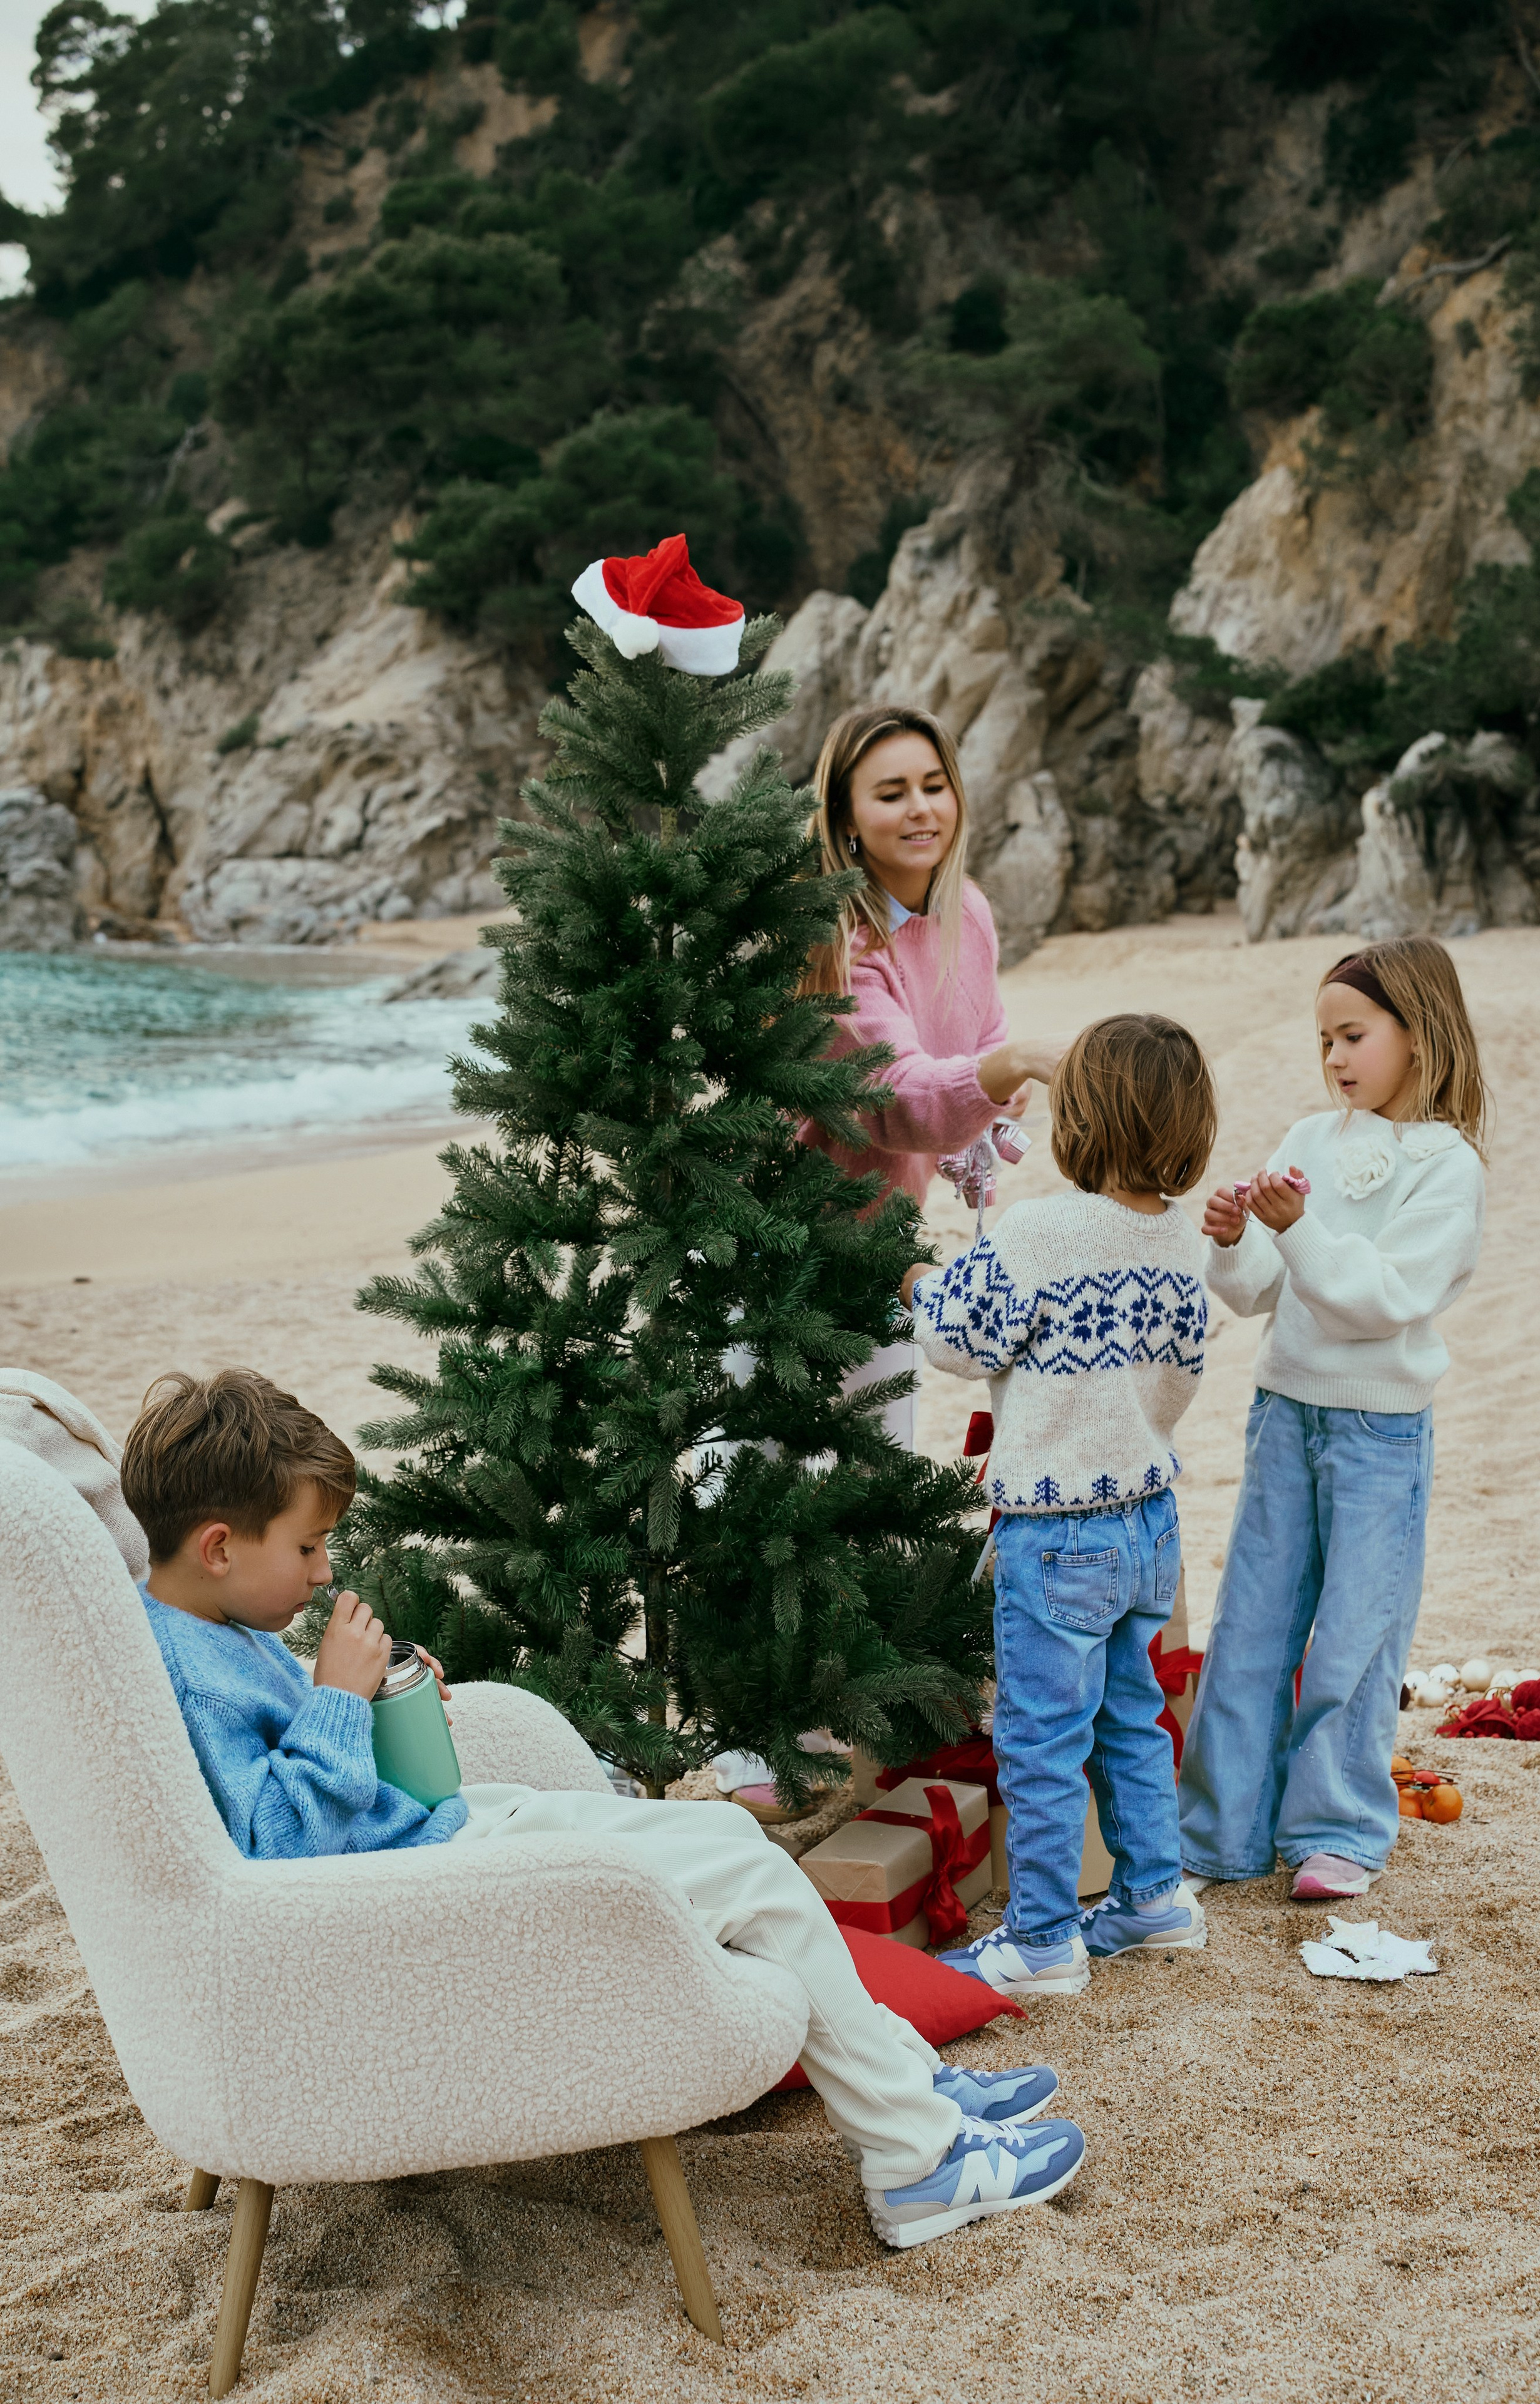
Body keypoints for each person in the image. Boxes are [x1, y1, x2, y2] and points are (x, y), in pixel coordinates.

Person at [121, 1367, 1086, 2247]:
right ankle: (915, 2158)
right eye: (307, 1544)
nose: (326, 1570)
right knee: (750, 1869)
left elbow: (296, 1782)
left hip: (440, 1844)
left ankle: (909, 2085)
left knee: (722, 1836)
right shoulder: (192, 1670)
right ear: (218, 1547)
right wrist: (333, 1696)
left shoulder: (204, 1625)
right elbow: (276, 1850)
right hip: (419, 1890)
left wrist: (376, 1700)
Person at [898, 1015, 1217, 1996]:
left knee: (1039, 1735)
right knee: (1130, 1711)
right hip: (1149, 1518)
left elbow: (960, 1340)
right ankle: (1154, 1896)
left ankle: (1041, 1937)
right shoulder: (1182, 1238)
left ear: (1080, 1122)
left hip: (1056, 1528)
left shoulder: (1042, 1231)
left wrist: (920, 1284)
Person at [1178, 935, 1488, 1903]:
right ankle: (1220, 1828)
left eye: (1353, 1035)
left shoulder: (1449, 1166)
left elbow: (1381, 1300)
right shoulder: (1312, 1139)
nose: (1336, 1059)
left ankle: (1338, 1829)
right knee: (1252, 1623)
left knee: (1356, 1633)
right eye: (1324, 1043)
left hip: (1379, 1436)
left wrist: (1298, 1229)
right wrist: (1235, 1243)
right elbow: (1263, 1291)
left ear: (1418, 1032)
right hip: (1284, 1417)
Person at [798, 705, 1067, 1446]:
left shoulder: (967, 909)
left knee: (879, 1474)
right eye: (891, 794)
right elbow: (897, 1103)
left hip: (882, 1239)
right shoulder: (836, 943)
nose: (921, 809)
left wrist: (996, 1095)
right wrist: (1004, 1071)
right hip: (771, 1241)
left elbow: (983, 1036)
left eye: (933, 785)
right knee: (748, 1494)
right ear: (846, 819)